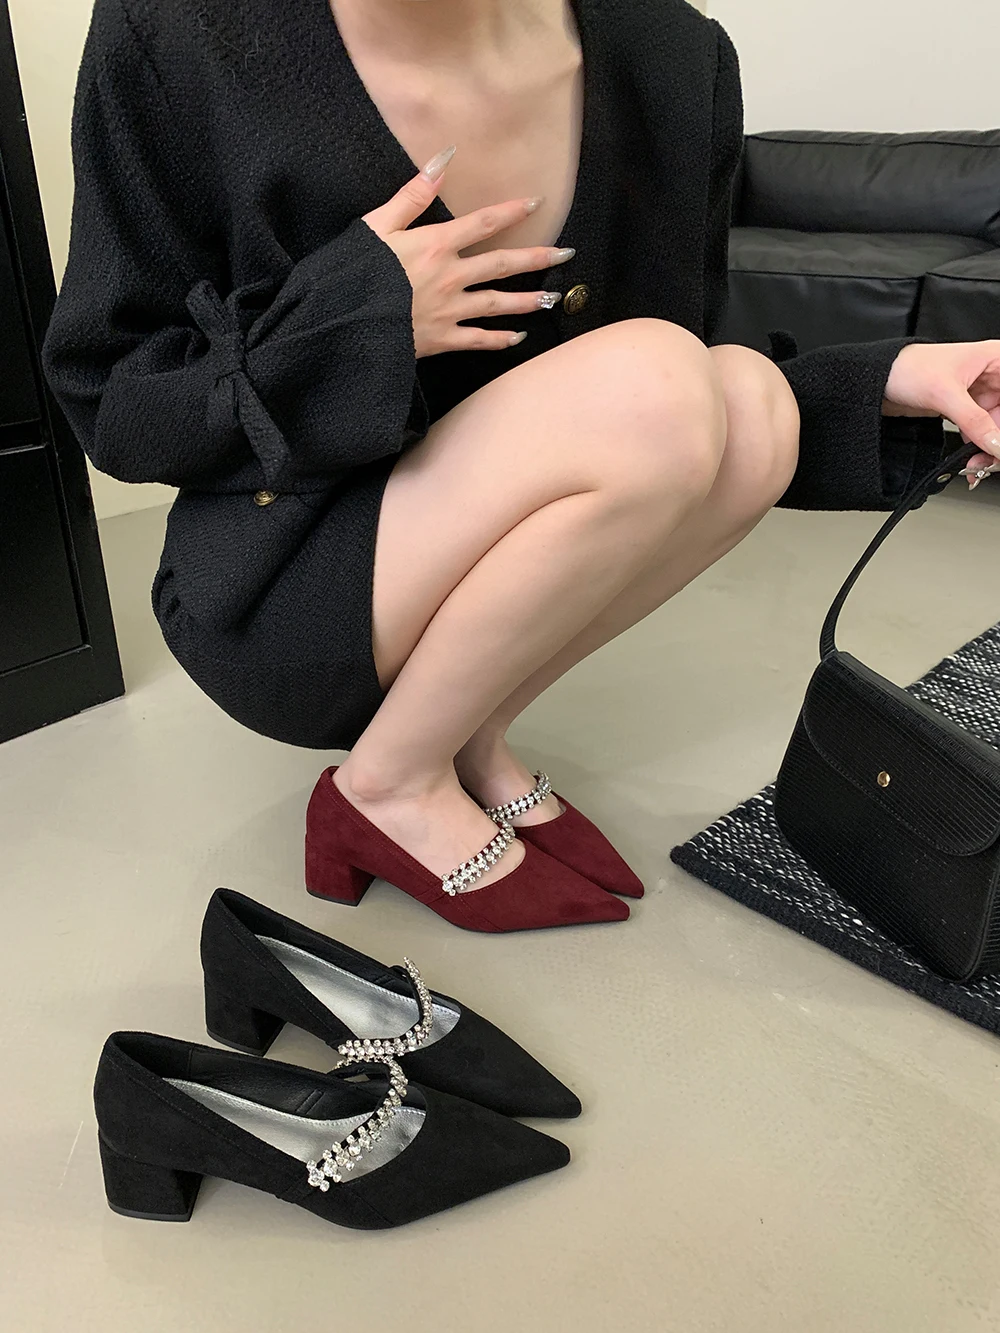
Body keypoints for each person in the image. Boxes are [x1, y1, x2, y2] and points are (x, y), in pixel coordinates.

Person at [42, 0, 1000, 932]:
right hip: (284, 581)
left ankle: (467, 733)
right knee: (665, 382)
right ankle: (386, 785)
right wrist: (359, 326)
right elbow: (115, 399)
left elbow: (673, 394)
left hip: (469, 590)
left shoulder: (672, 54)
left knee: (748, 405)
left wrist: (894, 380)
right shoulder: (178, 31)